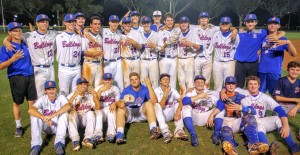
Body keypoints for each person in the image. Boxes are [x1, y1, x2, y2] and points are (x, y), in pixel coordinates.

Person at [207, 76, 268, 155]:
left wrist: (241, 108)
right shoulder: (219, 94)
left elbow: (253, 111)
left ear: (235, 85)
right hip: (224, 120)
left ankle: (254, 146)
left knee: (250, 117)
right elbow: (205, 92)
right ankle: (231, 149)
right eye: (229, 84)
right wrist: (190, 90)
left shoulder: (241, 97)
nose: (231, 86)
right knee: (226, 131)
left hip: (237, 122)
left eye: (233, 84)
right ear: (225, 85)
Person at [241, 76, 300, 154]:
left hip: (262, 120)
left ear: (259, 85)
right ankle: (268, 149)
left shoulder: (264, 97)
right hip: (251, 125)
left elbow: (280, 110)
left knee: (278, 119)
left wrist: (285, 125)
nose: (253, 86)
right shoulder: (243, 97)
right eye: (250, 84)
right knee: (258, 127)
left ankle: (293, 146)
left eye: (255, 84)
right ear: (247, 86)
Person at [3, 14, 58, 98]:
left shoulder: (54, 34)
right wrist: (6, 41)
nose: (45, 23)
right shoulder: (28, 36)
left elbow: (68, 32)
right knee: (40, 95)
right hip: (38, 68)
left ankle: (50, 111)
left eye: (46, 22)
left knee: (52, 92)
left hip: (51, 68)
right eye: (42, 22)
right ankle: (40, 111)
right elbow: (14, 36)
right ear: (37, 23)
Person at [0, 22, 37, 137]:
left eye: (19, 30)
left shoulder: (26, 42)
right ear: (10, 32)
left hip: (30, 76)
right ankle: (18, 126)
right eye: (15, 31)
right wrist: (13, 59)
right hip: (16, 77)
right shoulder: (6, 47)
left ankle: (34, 125)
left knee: (32, 101)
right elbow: (1, 66)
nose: (18, 32)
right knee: (17, 102)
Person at [56, 14, 102, 96]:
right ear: (65, 23)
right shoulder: (58, 36)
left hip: (77, 67)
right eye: (69, 22)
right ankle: (64, 108)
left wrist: (85, 31)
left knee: (77, 92)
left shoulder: (80, 36)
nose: (71, 23)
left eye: (73, 21)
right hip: (63, 68)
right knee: (63, 92)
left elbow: (83, 50)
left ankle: (74, 108)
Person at [234, 14, 284, 88]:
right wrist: (234, 30)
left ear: (255, 22)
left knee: (252, 86)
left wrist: (277, 36)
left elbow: (281, 32)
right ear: (244, 23)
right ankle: (238, 99)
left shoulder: (262, 32)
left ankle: (251, 100)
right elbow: (231, 28)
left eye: (252, 21)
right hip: (240, 64)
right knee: (238, 86)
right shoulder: (240, 32)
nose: (250, 23)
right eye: (248, 22)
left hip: (253, 64)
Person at [115, 73, 161, 144]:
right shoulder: (126, 90)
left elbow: (155, 101)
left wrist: (149, 86)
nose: (134, 81)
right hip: (129, 112)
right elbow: (120, 102)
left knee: (149, 104)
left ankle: (153, 129)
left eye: (136, 79)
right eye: (132, 80)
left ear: (139, 80)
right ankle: (120, 134)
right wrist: (120, 103)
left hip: (140, 111)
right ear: (130, 81)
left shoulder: (145, 88)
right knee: (119, 109)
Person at [28, 81, 68, 155]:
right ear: (45, 91)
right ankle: (36, 146)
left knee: (64, 114)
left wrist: (52, 116)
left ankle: (59, 144)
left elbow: (68, 106)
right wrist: (43, 117)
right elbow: (30, 110)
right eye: (49, 89)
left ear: (56, 89)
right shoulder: (42, 99)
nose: (51, 91)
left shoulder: (61, 97)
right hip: (46, 126)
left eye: (53, 88)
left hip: (58, 126)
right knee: (35, 116)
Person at [258, 17, 297, 94]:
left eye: (275, 24)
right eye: (270, 24)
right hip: (261, 70)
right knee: (260, 94)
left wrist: (288, 42)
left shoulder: (283, 39)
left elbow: (294, 54)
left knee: (275, 94)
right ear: (267, 25)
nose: (272, 25)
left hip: (275, 71)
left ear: (278, 26)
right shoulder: (262, 38)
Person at [181, 75, 219, 146]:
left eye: (202, 82)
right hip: (193, 117)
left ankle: (216, 134)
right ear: (194, 83)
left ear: (204, 84)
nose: (200, 84)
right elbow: (184, 101)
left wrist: (212, 115)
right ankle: (193, 134)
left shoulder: (209, 92)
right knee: (186, 107)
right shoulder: (191, 92)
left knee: (220, 109)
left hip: (206, 118)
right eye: (197, 82)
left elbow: (220, 104)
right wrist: (200, 96)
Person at [67, 78, 101, 151]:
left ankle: (87, 138)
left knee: (91, 113)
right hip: (76, 120)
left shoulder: (89, 95)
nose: (83, 86)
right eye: (80, 84)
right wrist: (74, 96)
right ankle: (75, 140)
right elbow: (66, 109)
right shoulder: (71, 95)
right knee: (71, 113)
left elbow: (98, 108)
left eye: (85, 84)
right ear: (76, 86)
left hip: (86, 120)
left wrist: (95, 95)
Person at [154, 73, 188, 141]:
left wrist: (178, 111)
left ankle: (179, 131)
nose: (166, 80)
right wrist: (165, 96)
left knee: (178, 104)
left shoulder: (172, 90)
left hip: (171, 114)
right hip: (161, 115)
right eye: (164, 79)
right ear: (160, 81)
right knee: (156, 106)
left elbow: (180, 100)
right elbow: (160, 106)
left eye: (167, 79)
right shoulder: (156, 90)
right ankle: (165, 131)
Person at [274, 61, 300, 141]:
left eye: (297, 70)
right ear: (288, 70)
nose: (295, 72)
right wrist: (295, 99)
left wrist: (295, 108)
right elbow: (277, 98)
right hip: (282, 105)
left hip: (295, 105)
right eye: (292, 69)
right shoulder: (281, 81)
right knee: (276, 120)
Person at [212, 17, 240, 91]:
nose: (224, 25)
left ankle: (228, 101)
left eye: (226, 23)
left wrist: (235, 30)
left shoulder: (235, 35)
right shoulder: (215, 34)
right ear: (220, 24)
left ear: (230, 25)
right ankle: (217, 101)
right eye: (222, 23)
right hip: (217, 62)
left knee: (229, 84)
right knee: (217, 85)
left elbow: (236, 47)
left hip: (229, 62)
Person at [94, 73, 120, 143]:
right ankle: (98, 135)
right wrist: (100, 90)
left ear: (112, 80)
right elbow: (95, 103)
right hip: (100, 108)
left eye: (109, 80)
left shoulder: (115, 89)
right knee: (98, 114)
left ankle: (111, 134)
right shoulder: (97, 88)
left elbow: (118, 102)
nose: (107, 81)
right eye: (106, 80)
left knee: (112, 111)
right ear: (102, 80)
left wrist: (114, 103)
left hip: (109, 109)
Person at [177, 16, 201, 91]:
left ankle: (190, 100)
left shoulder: (193, 33)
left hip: (189, 59)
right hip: (179, 59)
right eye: (181, 23)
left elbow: (200, 47)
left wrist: (191, 44)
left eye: (185, 22)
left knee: (189, 82)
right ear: (179, 24)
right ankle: (182, 99)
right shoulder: (177, 33)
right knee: (181, 81)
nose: (183, 24)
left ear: (188, 24)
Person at [139, 16, 164, 88]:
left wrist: (155, 46)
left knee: (154, 82)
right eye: (144, 23)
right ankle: (145, 99)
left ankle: (155, 98)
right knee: (143, 82)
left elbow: (162, 49)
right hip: (143, 61)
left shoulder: (156, 35)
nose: (146, 25)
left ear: (150, 24)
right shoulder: (139, 34)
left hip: (153, 60)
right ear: (142, 24)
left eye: (147, 23)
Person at [158, 13, 180, 89]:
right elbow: (158, 48)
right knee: (164, 80)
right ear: (164, 21)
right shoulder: (160, 33)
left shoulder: (177, 31)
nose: (170, 22)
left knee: (173, 81)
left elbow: (186, 26)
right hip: (164, 58)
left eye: (171, 20)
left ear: (174, 21)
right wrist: (166, 43)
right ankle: (163, 99)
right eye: (168, 20)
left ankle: (172, 100)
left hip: (174, 58)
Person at [102, 15, 124, 90]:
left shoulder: (120, 33)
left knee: (120, 84)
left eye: (116, 22)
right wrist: (85, 30)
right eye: (113, 22)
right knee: (106, 84)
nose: (114, 24)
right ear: (109, 23)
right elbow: (91, 29)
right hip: (107, 62)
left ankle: (120, 100)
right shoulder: (103, 31)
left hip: (118, 61)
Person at [120, 17, 143, 87]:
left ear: (131, 23)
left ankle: (138, 97)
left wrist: (134, 43)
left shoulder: (137, 33)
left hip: (136, 59)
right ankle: (128, 97)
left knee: (137, 81)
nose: (127, 25)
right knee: (126, 81)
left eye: (129, 23)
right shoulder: (119, 34)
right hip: (125, 60)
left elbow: (142, 47)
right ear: (122, 25)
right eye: (125, 23)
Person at [82, 16, 104, 88]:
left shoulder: (101, 35)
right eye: (95, 24)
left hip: (99, 64)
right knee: (87, 88)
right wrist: (94, 54)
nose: (97, 26)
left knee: (99, 88)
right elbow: (82, 52)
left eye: (99, 24)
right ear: (91, 25)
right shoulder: (85, 36)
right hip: (89, 64)